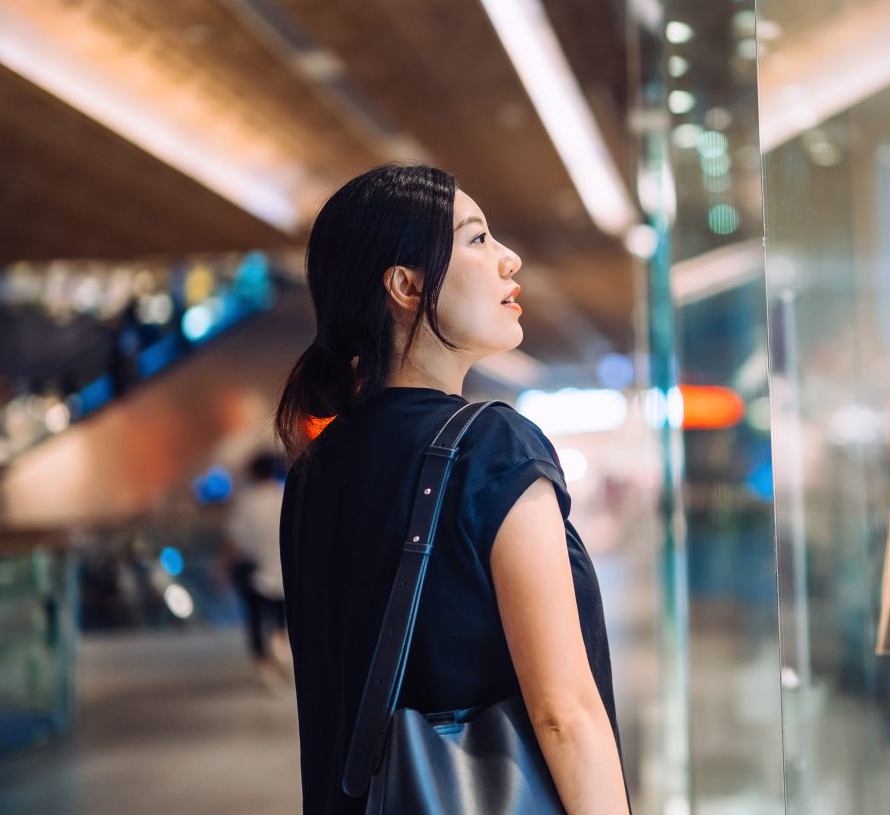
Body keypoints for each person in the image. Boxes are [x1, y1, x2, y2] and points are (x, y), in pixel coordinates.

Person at [274, 164, 627, 815]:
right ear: (406, 286)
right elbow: (564, 715)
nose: (507, 259)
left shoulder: (312, 471)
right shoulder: (493, 448)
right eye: (476, 240)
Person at [222, 451, 290, 687]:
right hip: (285, 570)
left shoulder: (247, 502)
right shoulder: (285, 496)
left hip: (255, 571)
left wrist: (222, 570)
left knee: (257, 619)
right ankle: (283, 648)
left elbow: (235, 541)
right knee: (284, 618)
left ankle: (266, 664)